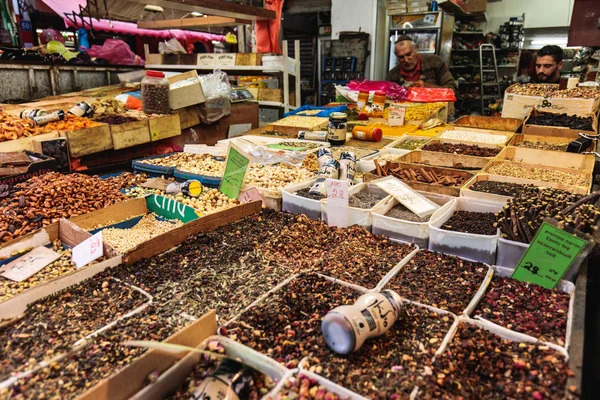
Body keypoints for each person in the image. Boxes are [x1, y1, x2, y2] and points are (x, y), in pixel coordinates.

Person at [386, 35, 457, 90]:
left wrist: (427, 87)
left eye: (408, 54)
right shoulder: (392, 75)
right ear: (396, 56)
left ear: (416, 49)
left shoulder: (434, 62)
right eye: (401, 57)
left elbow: (452, 89)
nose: (406, 60)